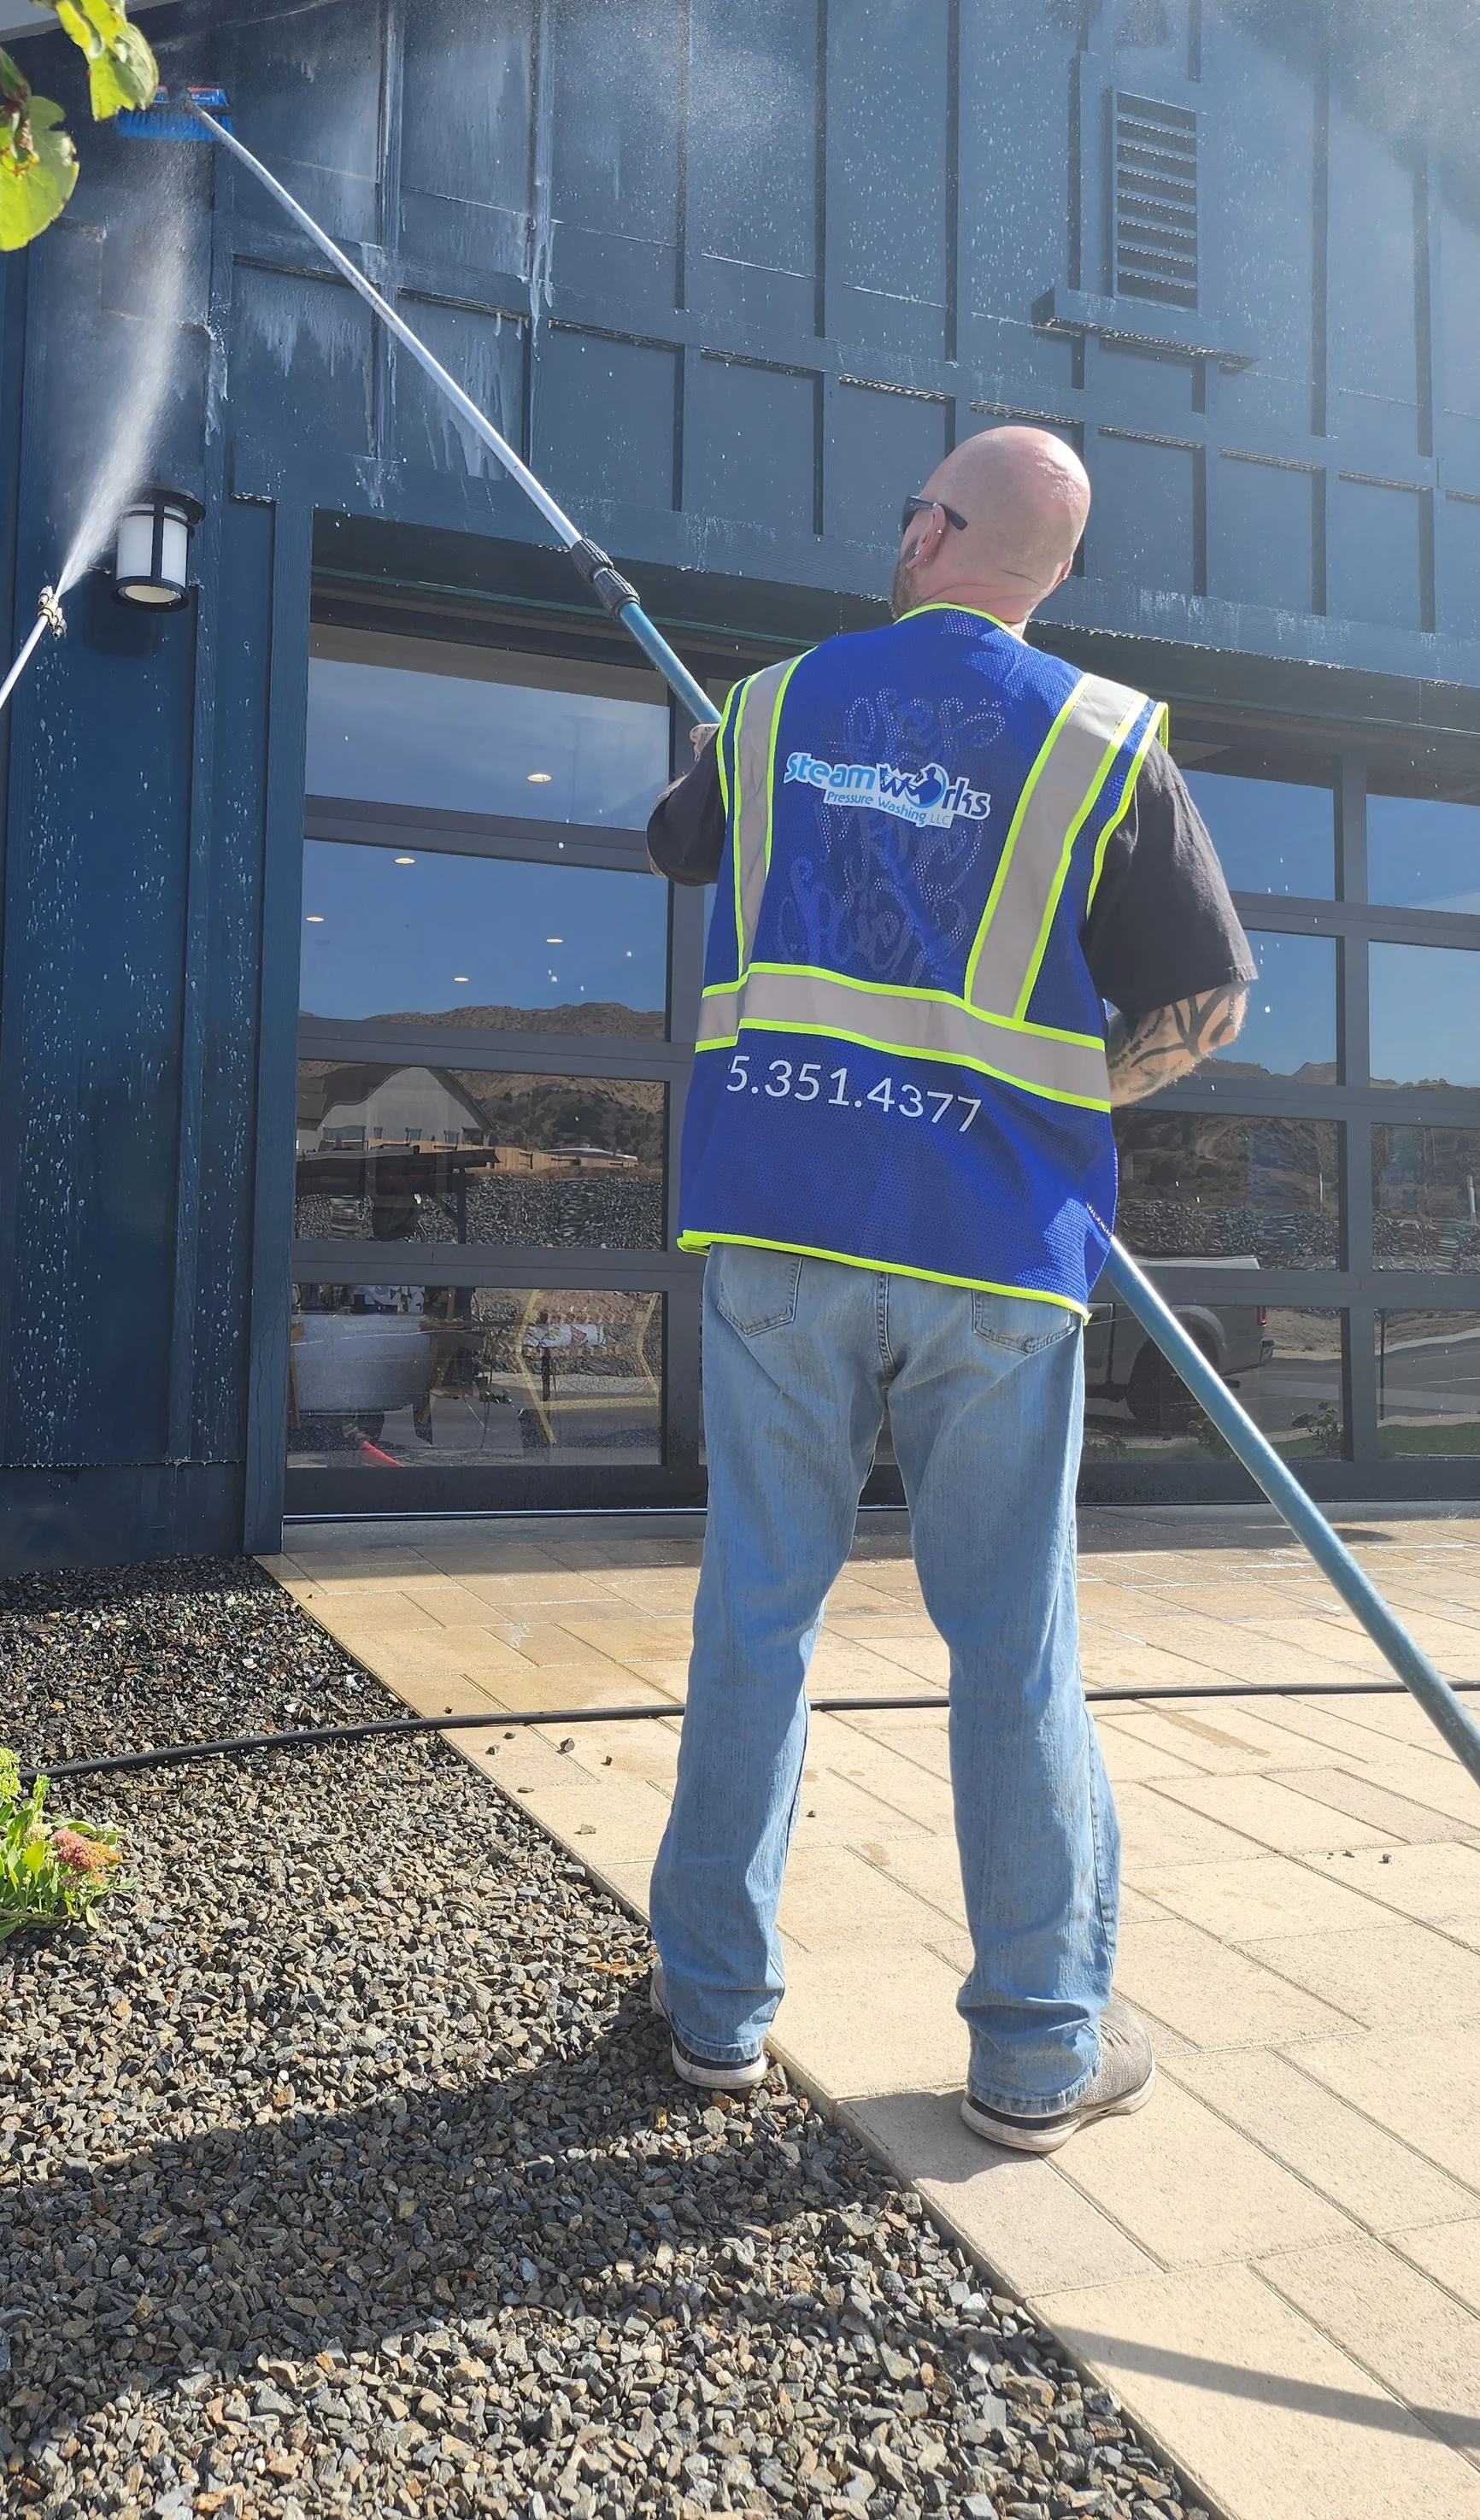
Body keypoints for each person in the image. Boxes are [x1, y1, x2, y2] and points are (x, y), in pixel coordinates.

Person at [643, 426, 1253, 2152]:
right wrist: (1051, 1124)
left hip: (777, 1226)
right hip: (990, 1252)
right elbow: (1201, 1000)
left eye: (905, 508)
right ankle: (1038, 2050)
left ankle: (710, 2011)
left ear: (929, 530)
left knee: (754, 1610)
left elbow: (673, 846)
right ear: (1047, 572)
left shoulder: (765, 711)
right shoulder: (1101, 741)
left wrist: (739, 757)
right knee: (1010, 1642)